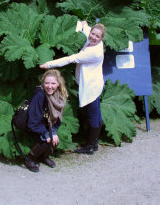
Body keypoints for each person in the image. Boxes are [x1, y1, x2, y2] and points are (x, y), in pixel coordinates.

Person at [40, 21, 106, 155]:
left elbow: (71, 59)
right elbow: (84, 27)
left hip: (91, 87)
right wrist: (82, 24)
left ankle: (90, 147)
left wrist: (49, 64)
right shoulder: (92, 38)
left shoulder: (94, 52)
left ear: (101, 39)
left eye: (97, 36)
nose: (93, 37)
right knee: (96, 115)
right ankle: (94, 143)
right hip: (95, 83)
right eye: (92, 34)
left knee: (94, 116)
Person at [25, 69, 68, 172]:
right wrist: (47, 134)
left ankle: (43, 157)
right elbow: (34, 120)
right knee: (46, 141)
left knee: (55, 141)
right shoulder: (39, 95)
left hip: (47, 124)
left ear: (58, 83)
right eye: (46, 83)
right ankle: (30, 159)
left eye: (53, 83)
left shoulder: (58, 95)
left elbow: (56, 117)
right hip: (34, 126)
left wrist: (53, 131)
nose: (49, 86)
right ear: (43, 83)